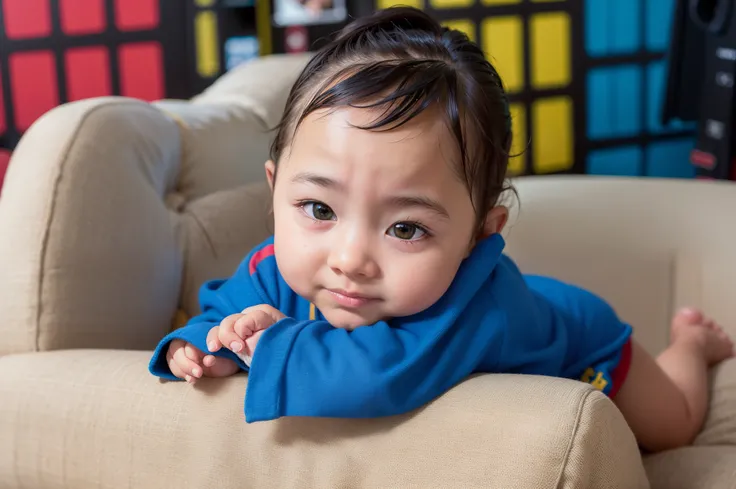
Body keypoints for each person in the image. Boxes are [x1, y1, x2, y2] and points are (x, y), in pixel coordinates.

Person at [148, 7, 734, 453]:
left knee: (675, 424)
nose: (349, 258)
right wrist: (206, 345)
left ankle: (691, 345)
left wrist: (270, 342)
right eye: (319, 210)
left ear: (480, 235)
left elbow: (378, 375)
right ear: (276, 190)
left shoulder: (478, 308)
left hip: (585, 344)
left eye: (405, 227)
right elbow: (224, 307)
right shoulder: (274, 265)